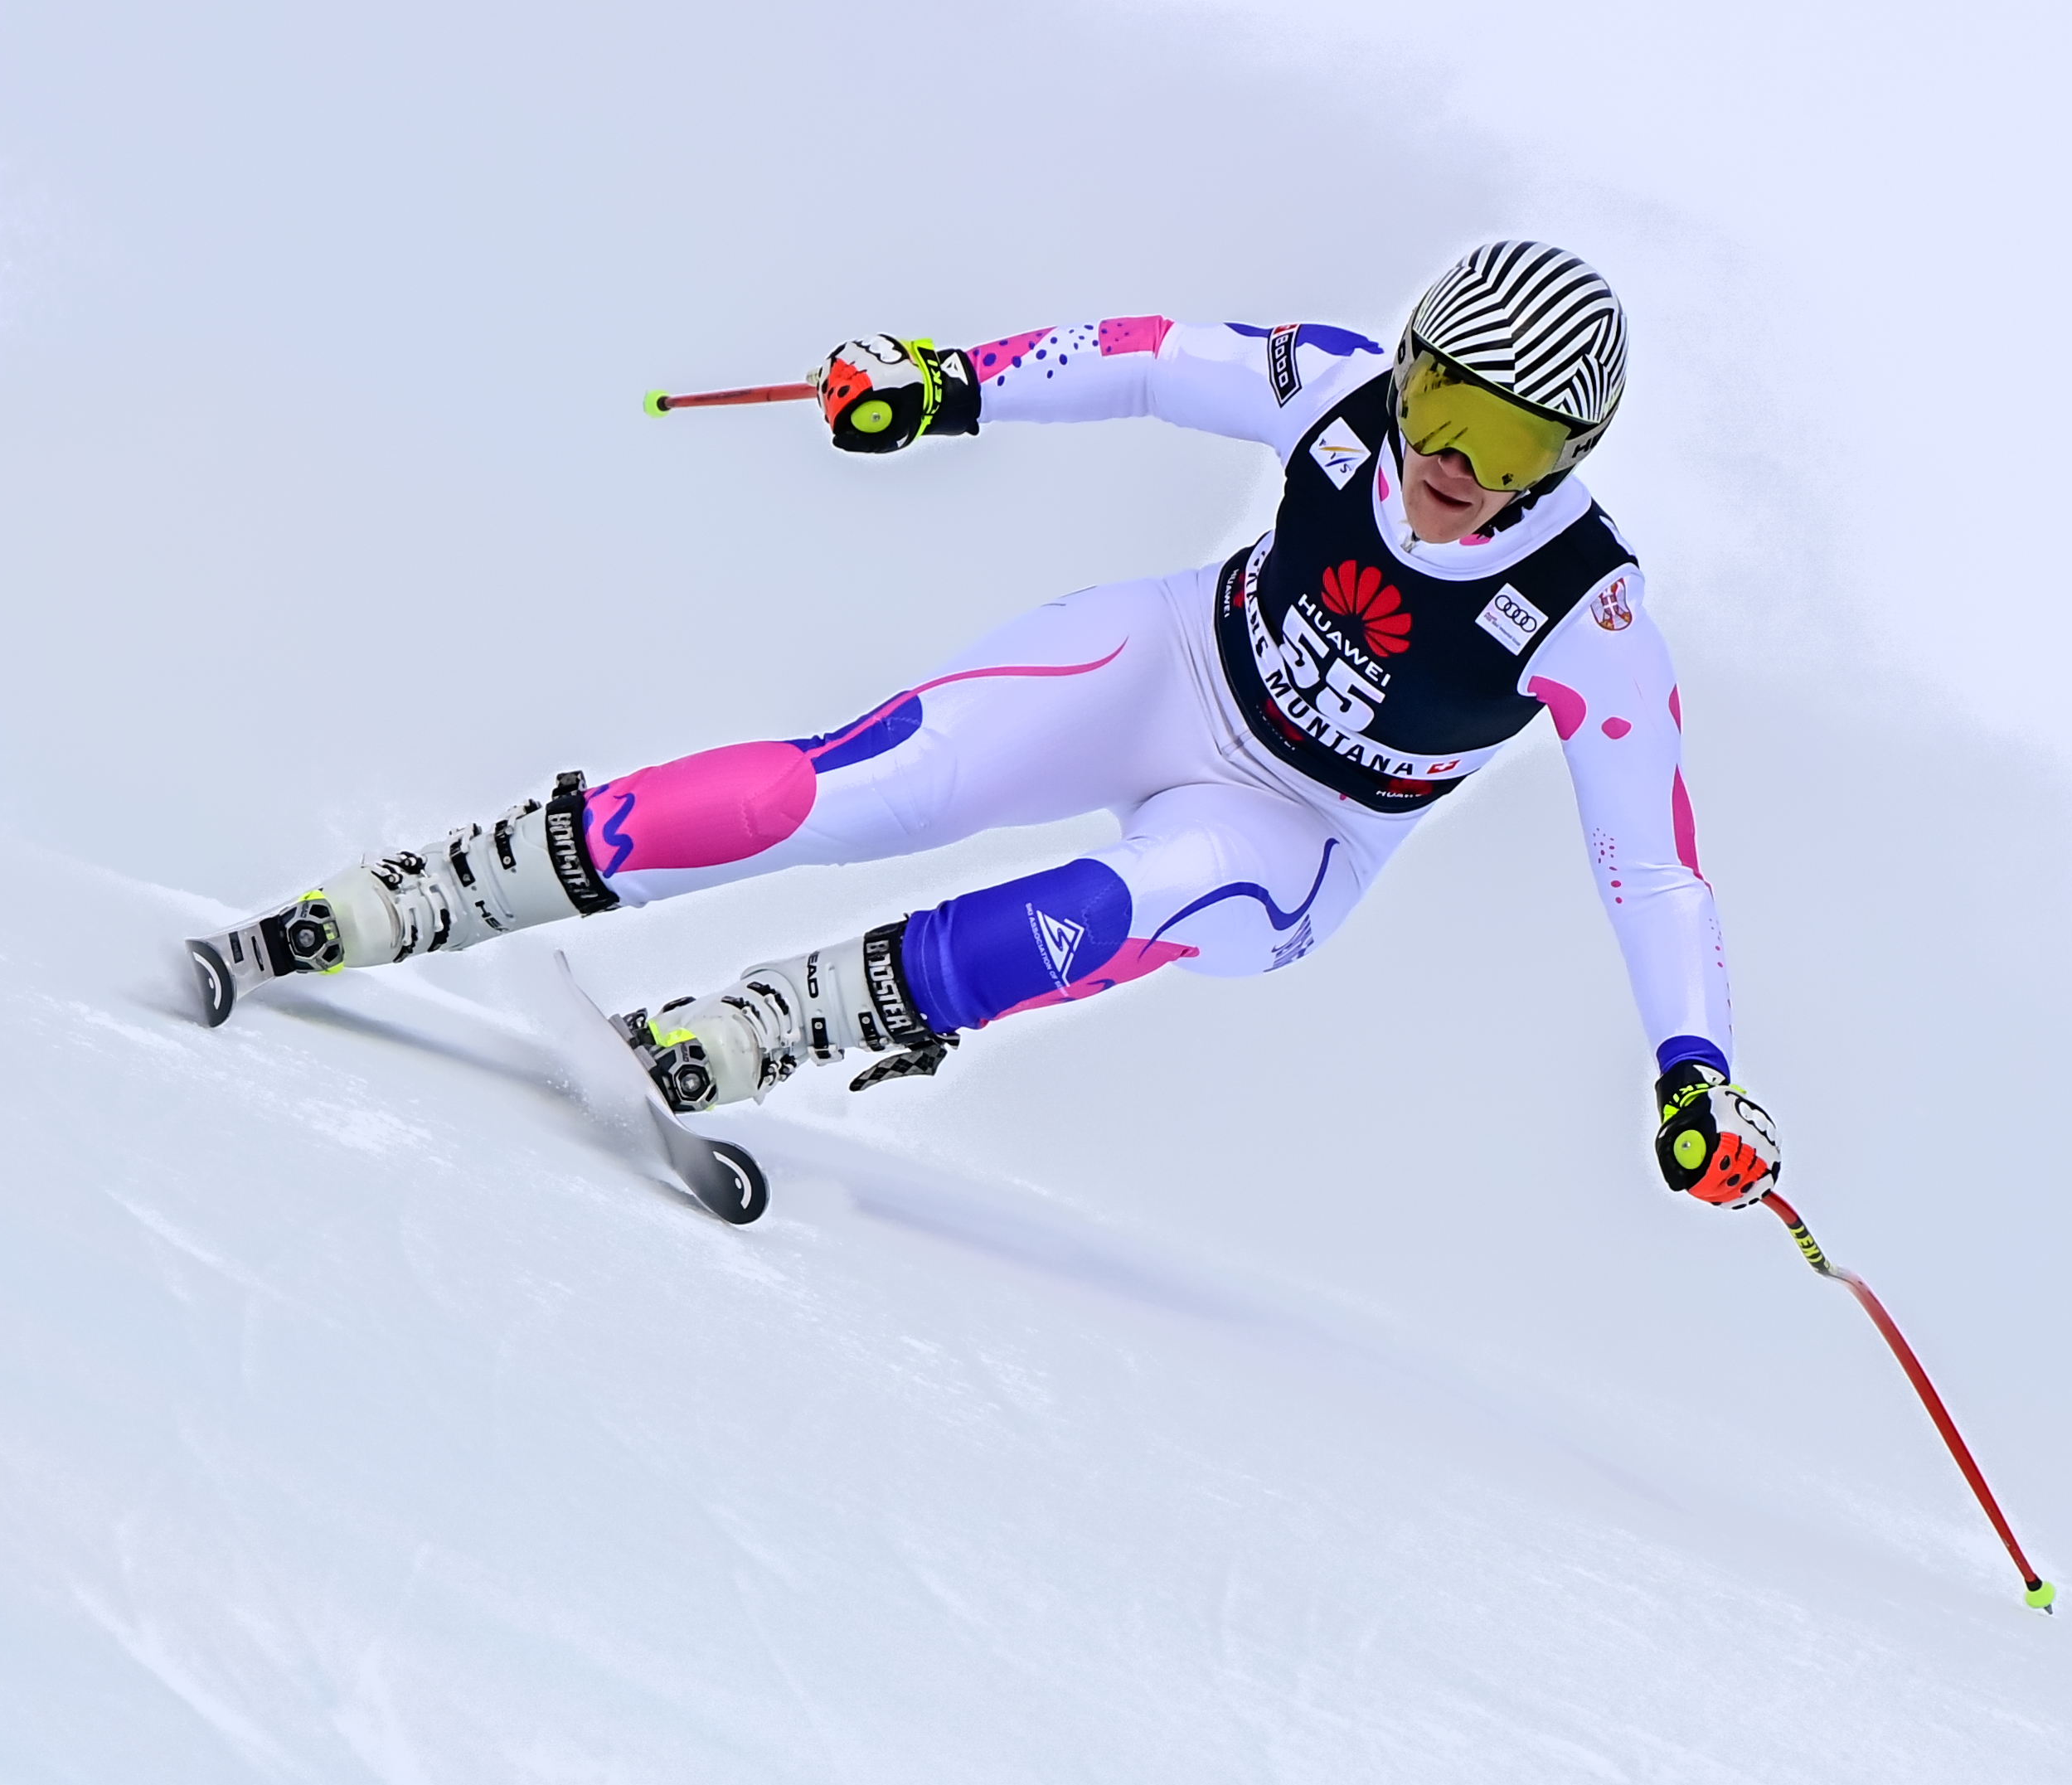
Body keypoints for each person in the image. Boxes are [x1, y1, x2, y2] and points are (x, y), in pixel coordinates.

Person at [185, 241, 1783, 1208]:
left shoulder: (1596, 616)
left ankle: (751, 1034)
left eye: (1501, 436)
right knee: (840, 790)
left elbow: (1654, 870)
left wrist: (1693, 1071)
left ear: (1569, 455)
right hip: (1173, 660)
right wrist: (946, 385)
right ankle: (429, 892)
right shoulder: (1342, 388)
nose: (1443, 455)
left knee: (1102, 911)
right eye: (1440, 399)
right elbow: (1150, 363)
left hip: (1297, 835)